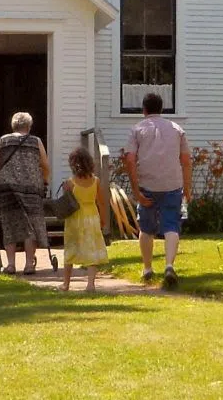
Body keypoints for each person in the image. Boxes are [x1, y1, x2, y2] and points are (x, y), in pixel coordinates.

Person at [123, 92, 192, 289]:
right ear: (162, 109)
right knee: (172, 225)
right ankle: (169, 265)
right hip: (172, 184)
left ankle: (147, 269)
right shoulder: (177, 129)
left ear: (144, 109)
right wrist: (187, 187)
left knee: (146, 228)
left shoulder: (137, 129)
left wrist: (136, 190)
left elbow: (129, 159)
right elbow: (186, 160)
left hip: (148, 185)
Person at [0, 111, 50, 274]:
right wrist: (45, 180)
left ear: (13, 125)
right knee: (30, 225)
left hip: (8, 187)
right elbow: (45, 164)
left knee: (9, 223)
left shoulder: (4, 140)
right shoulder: (36, 141)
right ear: (29, 126)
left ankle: (10, 265)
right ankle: (29, 264)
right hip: (32, 188)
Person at [60, 146, 108, 293]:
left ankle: (66, 284)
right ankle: (90, 284)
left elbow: (66, 202)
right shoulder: (96, 181)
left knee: (70, 249)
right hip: (92, 216)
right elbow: (101, 202)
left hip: (74, 218)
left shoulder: (70, 182)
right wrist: (103, 220)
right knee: (91, 250)